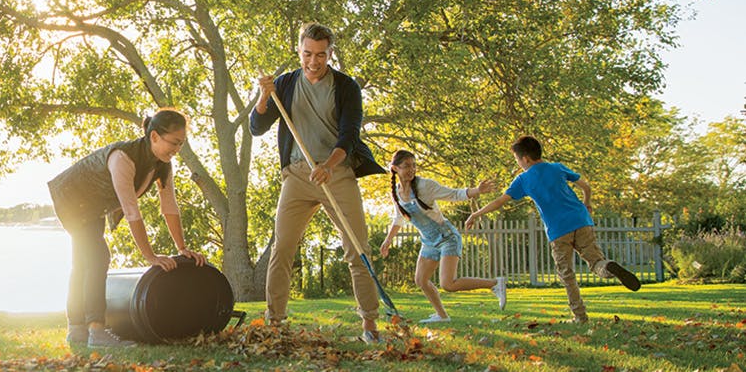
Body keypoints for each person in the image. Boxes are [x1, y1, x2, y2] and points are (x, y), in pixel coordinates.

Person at [250, 22, 387, 344]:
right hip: (297, 175)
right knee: (281, 249)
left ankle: (369, 323)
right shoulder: (284, 84)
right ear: (299, 50)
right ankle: (276, 323)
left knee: (357, 249)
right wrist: (263, 96)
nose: (313, 62)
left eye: (321, 55)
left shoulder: (345, 86)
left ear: (330, 53)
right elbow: (257, 127)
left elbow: (349, 135)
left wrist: (328, 165)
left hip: (336, 172)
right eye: (307, 54)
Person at [48, 108, 206, 347]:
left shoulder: (163, 164)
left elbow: (169, 206)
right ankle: (96, 330)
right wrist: (150, 256)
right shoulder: (123, 158)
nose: (176, 150)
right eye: (173, 142)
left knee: (84, 261)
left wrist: (182, 247)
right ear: (154, 136)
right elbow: (132, 211)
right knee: (97, 256)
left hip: (93, 205)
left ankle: (77, 329)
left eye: (181, 144)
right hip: (72, 197)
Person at [464, 135, 640, 323]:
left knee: (566, 273)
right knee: (596, 262)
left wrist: (475, 214)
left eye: (517, 159)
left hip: (558, 230)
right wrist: (587, 204)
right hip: (581, 220)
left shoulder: (523, 179)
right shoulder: (557, 167)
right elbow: (586, 187)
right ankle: (607, 267)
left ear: (525, 159)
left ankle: (580, 316)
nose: (518, 163)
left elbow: (500, 201)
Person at [379, 150, 506, 323]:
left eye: (414, 165)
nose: (412, 169)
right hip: (429, 242)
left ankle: (495, 284)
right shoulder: (396, 192)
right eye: (407, 166)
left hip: (447, 237)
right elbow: (399, 218)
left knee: (448, 284)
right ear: (395, 168)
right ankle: (442, 315)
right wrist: (388, 240)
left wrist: (477, 190)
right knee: (421, 280)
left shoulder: (425, 186)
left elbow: (453, 194)